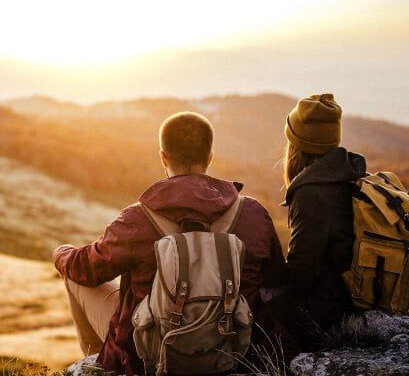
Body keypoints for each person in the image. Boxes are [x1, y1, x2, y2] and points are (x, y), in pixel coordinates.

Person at [52, 112, 287, 376]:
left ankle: (99, 369)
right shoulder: (253, 214)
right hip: (237, 351)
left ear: (163, 158)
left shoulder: (137, 219)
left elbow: (86, 269)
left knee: (74, 279)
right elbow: (276, 279)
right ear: (210, 157)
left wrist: (61, 254)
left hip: (146, 358)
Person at [277, 93, 367, 357]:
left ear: (296, 146)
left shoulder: (310, 192)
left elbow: (302, 273)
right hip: (355, 296)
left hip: (332, 308)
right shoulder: (349, 173)